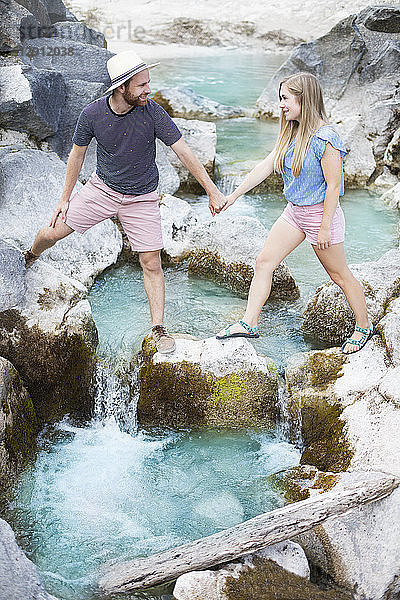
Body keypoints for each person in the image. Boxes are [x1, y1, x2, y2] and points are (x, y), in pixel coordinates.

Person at [23, 50, 227, 354]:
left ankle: (158, 328)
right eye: (141, 85)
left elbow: (183, 151)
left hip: (142, 198)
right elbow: (77, 155)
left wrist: (211, 190)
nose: (148, 89)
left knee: (151, 262)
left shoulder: (153, 112)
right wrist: (65, 199)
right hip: (101, 190)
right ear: (122, 88)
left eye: (148, 83)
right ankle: (29, 256)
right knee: (51, 232)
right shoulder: (92, 114)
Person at [216, 72, 374, 355]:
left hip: (320, 216)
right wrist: (233, 196)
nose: (280, 105)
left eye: (285, 98)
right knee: (264, 261)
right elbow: (263, 167)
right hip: (295, 213)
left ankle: (364, 326)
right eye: (280, 99)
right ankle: (249, 322)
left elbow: (334, 186)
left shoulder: (326, 138)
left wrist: (324, 227)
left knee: (339, 275)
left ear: (304, 98)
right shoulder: (291, 132)